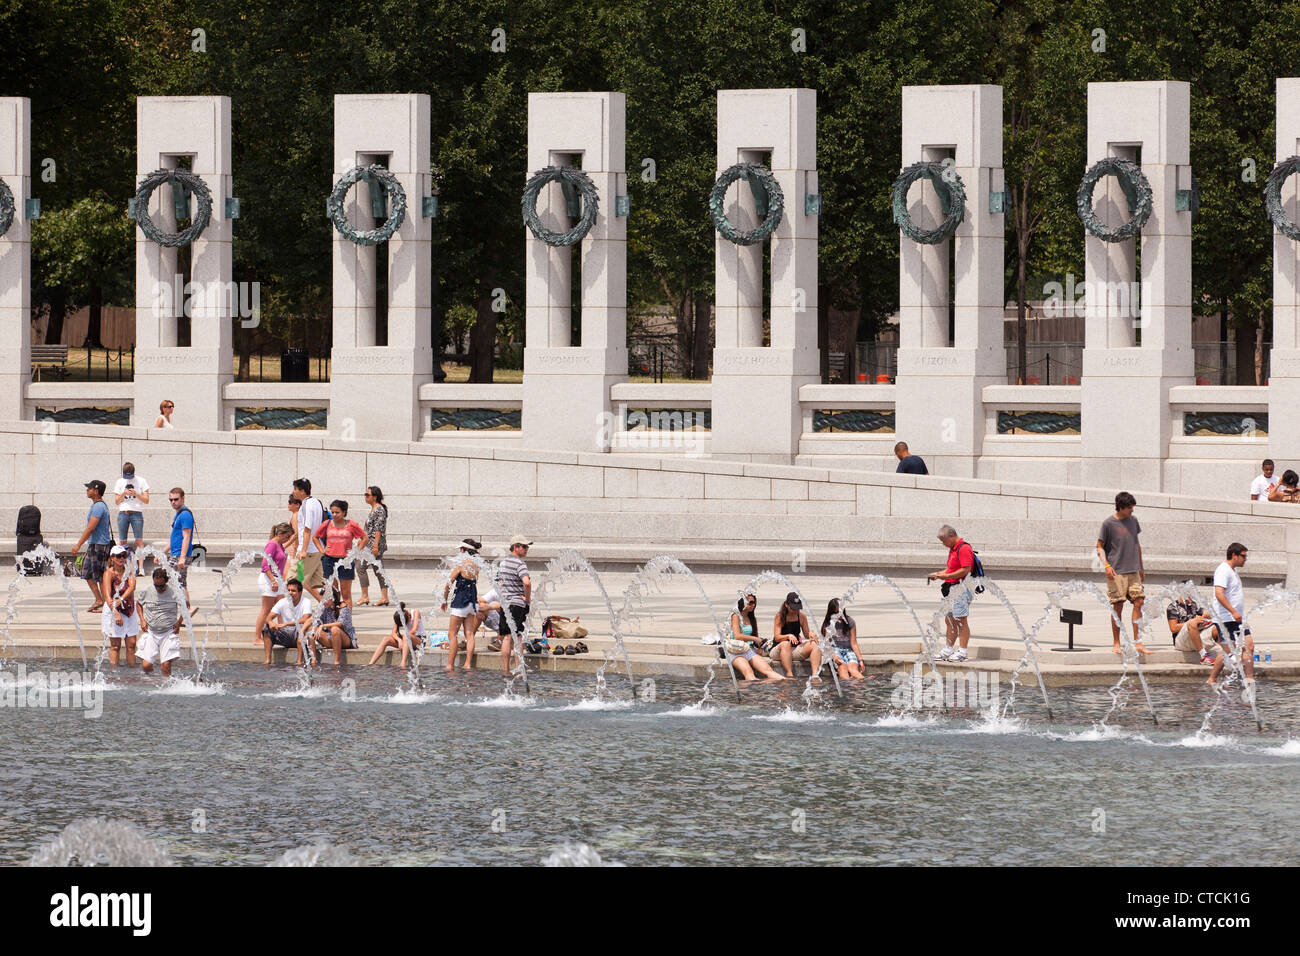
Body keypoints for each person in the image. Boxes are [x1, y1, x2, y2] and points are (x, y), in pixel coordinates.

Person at [1096, 491, 1150, 656]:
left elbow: (1137, 544)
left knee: (1139, 601)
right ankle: (1116, 642)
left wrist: (1141, 567)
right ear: (1120, 507)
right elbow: (1099, 546)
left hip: (1133, 569)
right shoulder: (1108, 523)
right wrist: (1106, 566)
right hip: (1116, 571)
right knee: (1118, 606)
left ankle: (1138, 641)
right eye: (1129, 508)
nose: (1132, 511)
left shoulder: (1133, 521)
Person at [1207, 543, 1256, 686]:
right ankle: (1212, 678)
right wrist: (1233, 611)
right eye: (1243, 556)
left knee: (1249, 646)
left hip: (1237, 618)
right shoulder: (1223, 570)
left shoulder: (1232, 570)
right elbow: (1219, 594)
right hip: (1226, 619)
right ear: (1234, 555)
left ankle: (1249, 679)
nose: (1245, 559)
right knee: (1231, 653)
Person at [929, 524, 976, 662]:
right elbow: (951, 569)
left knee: (961, 620)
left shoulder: (964, 548)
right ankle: (948, 649)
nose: (944, 544)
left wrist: (946, 576)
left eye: (944, 541)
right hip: (952, 588)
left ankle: (963, 652)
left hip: (961, 588)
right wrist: (938, 574)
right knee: (949, 620)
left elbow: (965, 569)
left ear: (951, 536)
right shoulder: (953, 549)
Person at [311, 499, 366, 606]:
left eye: (337, 512)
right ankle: (334, 618)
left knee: (346, 594)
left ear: (344, 512)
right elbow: (315, 537)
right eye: (332, 512)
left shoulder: (351, 525)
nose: (334, 514)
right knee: (332, 593)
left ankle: (346, 620)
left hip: (345, 561)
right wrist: (322, 550)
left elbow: (364, 538)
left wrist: (355, 551)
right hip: (329, 560)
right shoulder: (326, 524)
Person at [71, 479, 112, 612]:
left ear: (96, 491)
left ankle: (106, 604)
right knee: (86, 572)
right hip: (94, 544)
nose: (87, 490)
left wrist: (78, 545)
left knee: (99, 576)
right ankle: (99, 599)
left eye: (89, 488)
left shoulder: (99, 506)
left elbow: (90, 528)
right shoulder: (96, 505)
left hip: (100, 545)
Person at [442, 537, 482, 670]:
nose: (459, 551)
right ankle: (468, 664)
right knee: (469, 634)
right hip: (472, 601)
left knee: (452, 634)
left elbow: (449, 583)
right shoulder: (477, 565)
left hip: (460, 601)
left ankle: (449, 665)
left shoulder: (461, 563)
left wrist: (444, 600)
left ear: (464, 550)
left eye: (460, 549)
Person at [496, 535, 533, 673]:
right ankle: (519, 669)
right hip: (517, 603)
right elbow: (527, 582)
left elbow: (498, 583)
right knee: (517, 636)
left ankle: (505, 670)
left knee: (506, 637)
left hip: (505, 603)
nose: (527, 549)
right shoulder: (520, 564)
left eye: (527, 546)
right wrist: (527, 599)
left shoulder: (503, 562)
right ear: (515, 547)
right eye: (524, 546)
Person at [254, 522, 295, 647]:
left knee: (281, 607)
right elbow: (265, 565)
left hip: (277, 580)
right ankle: (257, 637)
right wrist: (273, 581)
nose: (288, 539)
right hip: (269, 579)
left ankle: (281, 634)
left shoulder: (279, 544)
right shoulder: (272, 544)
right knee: (266, 610)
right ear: (279, 534)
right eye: (287, 536)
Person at [727, 594, 784, 681]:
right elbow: (737, 636)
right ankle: (751, 692)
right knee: (749, 673)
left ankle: (787, 682)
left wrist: (760, 647)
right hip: (736, 651)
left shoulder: (751, 617)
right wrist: (755, 639)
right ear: (743, 602)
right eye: (751, 603)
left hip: (749, 650)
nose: (753, 605)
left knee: (768, 671)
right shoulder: (736, 616)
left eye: (754, 603)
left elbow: (755, 636)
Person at [138, 568, 183, 677]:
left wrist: (179, 622)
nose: (158, 588)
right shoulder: (147, 590)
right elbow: (139, 604)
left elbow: (186, 608)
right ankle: (153, 681)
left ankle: (167, 685)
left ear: (166, 582)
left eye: (161, 586)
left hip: (168, 632)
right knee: (146, 665)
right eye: (156, 585)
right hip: (151, 632)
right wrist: (142, 620)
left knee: (166, 664)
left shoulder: (175, 592)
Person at [100, 545, 140, 666]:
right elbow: (107, 596)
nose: (122, 558)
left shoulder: (129, 571)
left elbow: (132, 586)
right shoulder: (108, 574)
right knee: (116, 645)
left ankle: (132, 672)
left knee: (132, 644)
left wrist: (122, 599)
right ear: (112, 558)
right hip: (114, 610)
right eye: (119, 556)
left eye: (124, 556)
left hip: (129, 609)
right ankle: (114, 673)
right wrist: (116, 613)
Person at [769, 591, 823, 681]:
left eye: (797, 608)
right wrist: (788, 636)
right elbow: (777, 637)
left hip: (794, 649)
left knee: (814, 645)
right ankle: (789, 674)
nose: (795, 611)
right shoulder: (779, 616)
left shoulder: (802, 617)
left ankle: (815, 676)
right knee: (786, 644)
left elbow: (806, 634)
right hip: (779, 650)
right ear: (786, 605)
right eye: (793, 608)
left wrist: (811, 634)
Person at [262, 578, 315, 665]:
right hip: (285, 634)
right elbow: (268, 617)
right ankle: (267, 660)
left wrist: (286, 624)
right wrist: (271, 622)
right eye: (288, 590)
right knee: (266, 628)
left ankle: (299, 661)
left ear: (300, 592)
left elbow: (305, 619)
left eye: (293, 591)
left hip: (299, 633)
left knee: (305, 628)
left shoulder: (306, 602)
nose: (290, 593)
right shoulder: (282, 602)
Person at [291, 478, 325, 601]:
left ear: (302, 491)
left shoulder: (307, 504)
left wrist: (303, 550)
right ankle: (328, 605)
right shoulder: (317, 502)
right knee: (314, 583)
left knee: (293, 582)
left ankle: (293, 612)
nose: (293, 492)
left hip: (308, 551)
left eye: (295, 489)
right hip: (316, 550)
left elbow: (307, 528)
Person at [112, 461, 150, 568]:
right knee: (122, 541)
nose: (128, 477)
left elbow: (146, 500)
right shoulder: (119, 481)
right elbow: (117, 501)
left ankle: (141, 567)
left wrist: (136, 494)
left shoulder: (141, 481)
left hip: (136, 513)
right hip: (123, 513)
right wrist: (124, 493)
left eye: (130, 475)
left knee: (139, 541)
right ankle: (122, 566)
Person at [356, 486, 390, 606]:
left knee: (360, 567)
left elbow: (378, 529)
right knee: (378, 569)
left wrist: (375, 546)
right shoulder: (374, 509)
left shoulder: (379, 509)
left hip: (374, 544)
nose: (365, 497)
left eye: (367, 495)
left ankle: (365, 596)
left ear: (375, 497)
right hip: (370, 543)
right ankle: (384, 597)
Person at [366, 602, 425, 668]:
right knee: (386, 639)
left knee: (406, 636)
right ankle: (371, 663)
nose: (405, 626)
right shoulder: (399, 615)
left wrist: (404, 639)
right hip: (406, 641)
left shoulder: (415, 612)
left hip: (419, 641)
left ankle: (403, 664)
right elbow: (393, 633)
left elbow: (414, 630)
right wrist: (399, 640)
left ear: (409, 616)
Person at [1165, 595, 1218, 666]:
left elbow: (1208, 614)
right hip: (1181, 642)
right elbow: (1173, 628)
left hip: (1194, 639)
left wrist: (1206, 616)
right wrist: (1193, 621)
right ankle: (1204, 656)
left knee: (1217, 627)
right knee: (1192, 622)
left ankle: (1229, 652)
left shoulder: (1193, 605)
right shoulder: (1173, 607)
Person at [168, 487, 196, 613]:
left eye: (176, 499)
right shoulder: (178, 514)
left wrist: (182, 557)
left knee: (172, 580)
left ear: (183, 499)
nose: (173, 502)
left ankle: (187, 609)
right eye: (171, 500)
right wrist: (162, 552)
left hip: (180, 555)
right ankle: (188, 609)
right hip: (177, 554)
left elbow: (186, 537)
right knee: (180, 582)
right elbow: (174, 538)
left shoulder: (185, 515)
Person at [822, 598, 866, 679]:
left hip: (848, 650)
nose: (839, 615)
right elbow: (827, 644)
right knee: (842, 668)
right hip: (835, 650)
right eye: (836, 613)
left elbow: (854, 643)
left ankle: (864, 682)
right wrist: (834, 656)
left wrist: (860, 660)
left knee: (853, 669)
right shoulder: (828, 623)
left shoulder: (850, 622)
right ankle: (847, 687)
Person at [314, 586, 358, 664]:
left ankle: (337, 661)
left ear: (333, 598)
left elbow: (340, 623)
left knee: (335, 629)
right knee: (312, 629)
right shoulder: (324, 608)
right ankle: (313, 660)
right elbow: (315, 621)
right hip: (331, 638)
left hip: (345, 639)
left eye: (326, 600)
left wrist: (322, 626)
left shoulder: (343, 606)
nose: (323, 602)